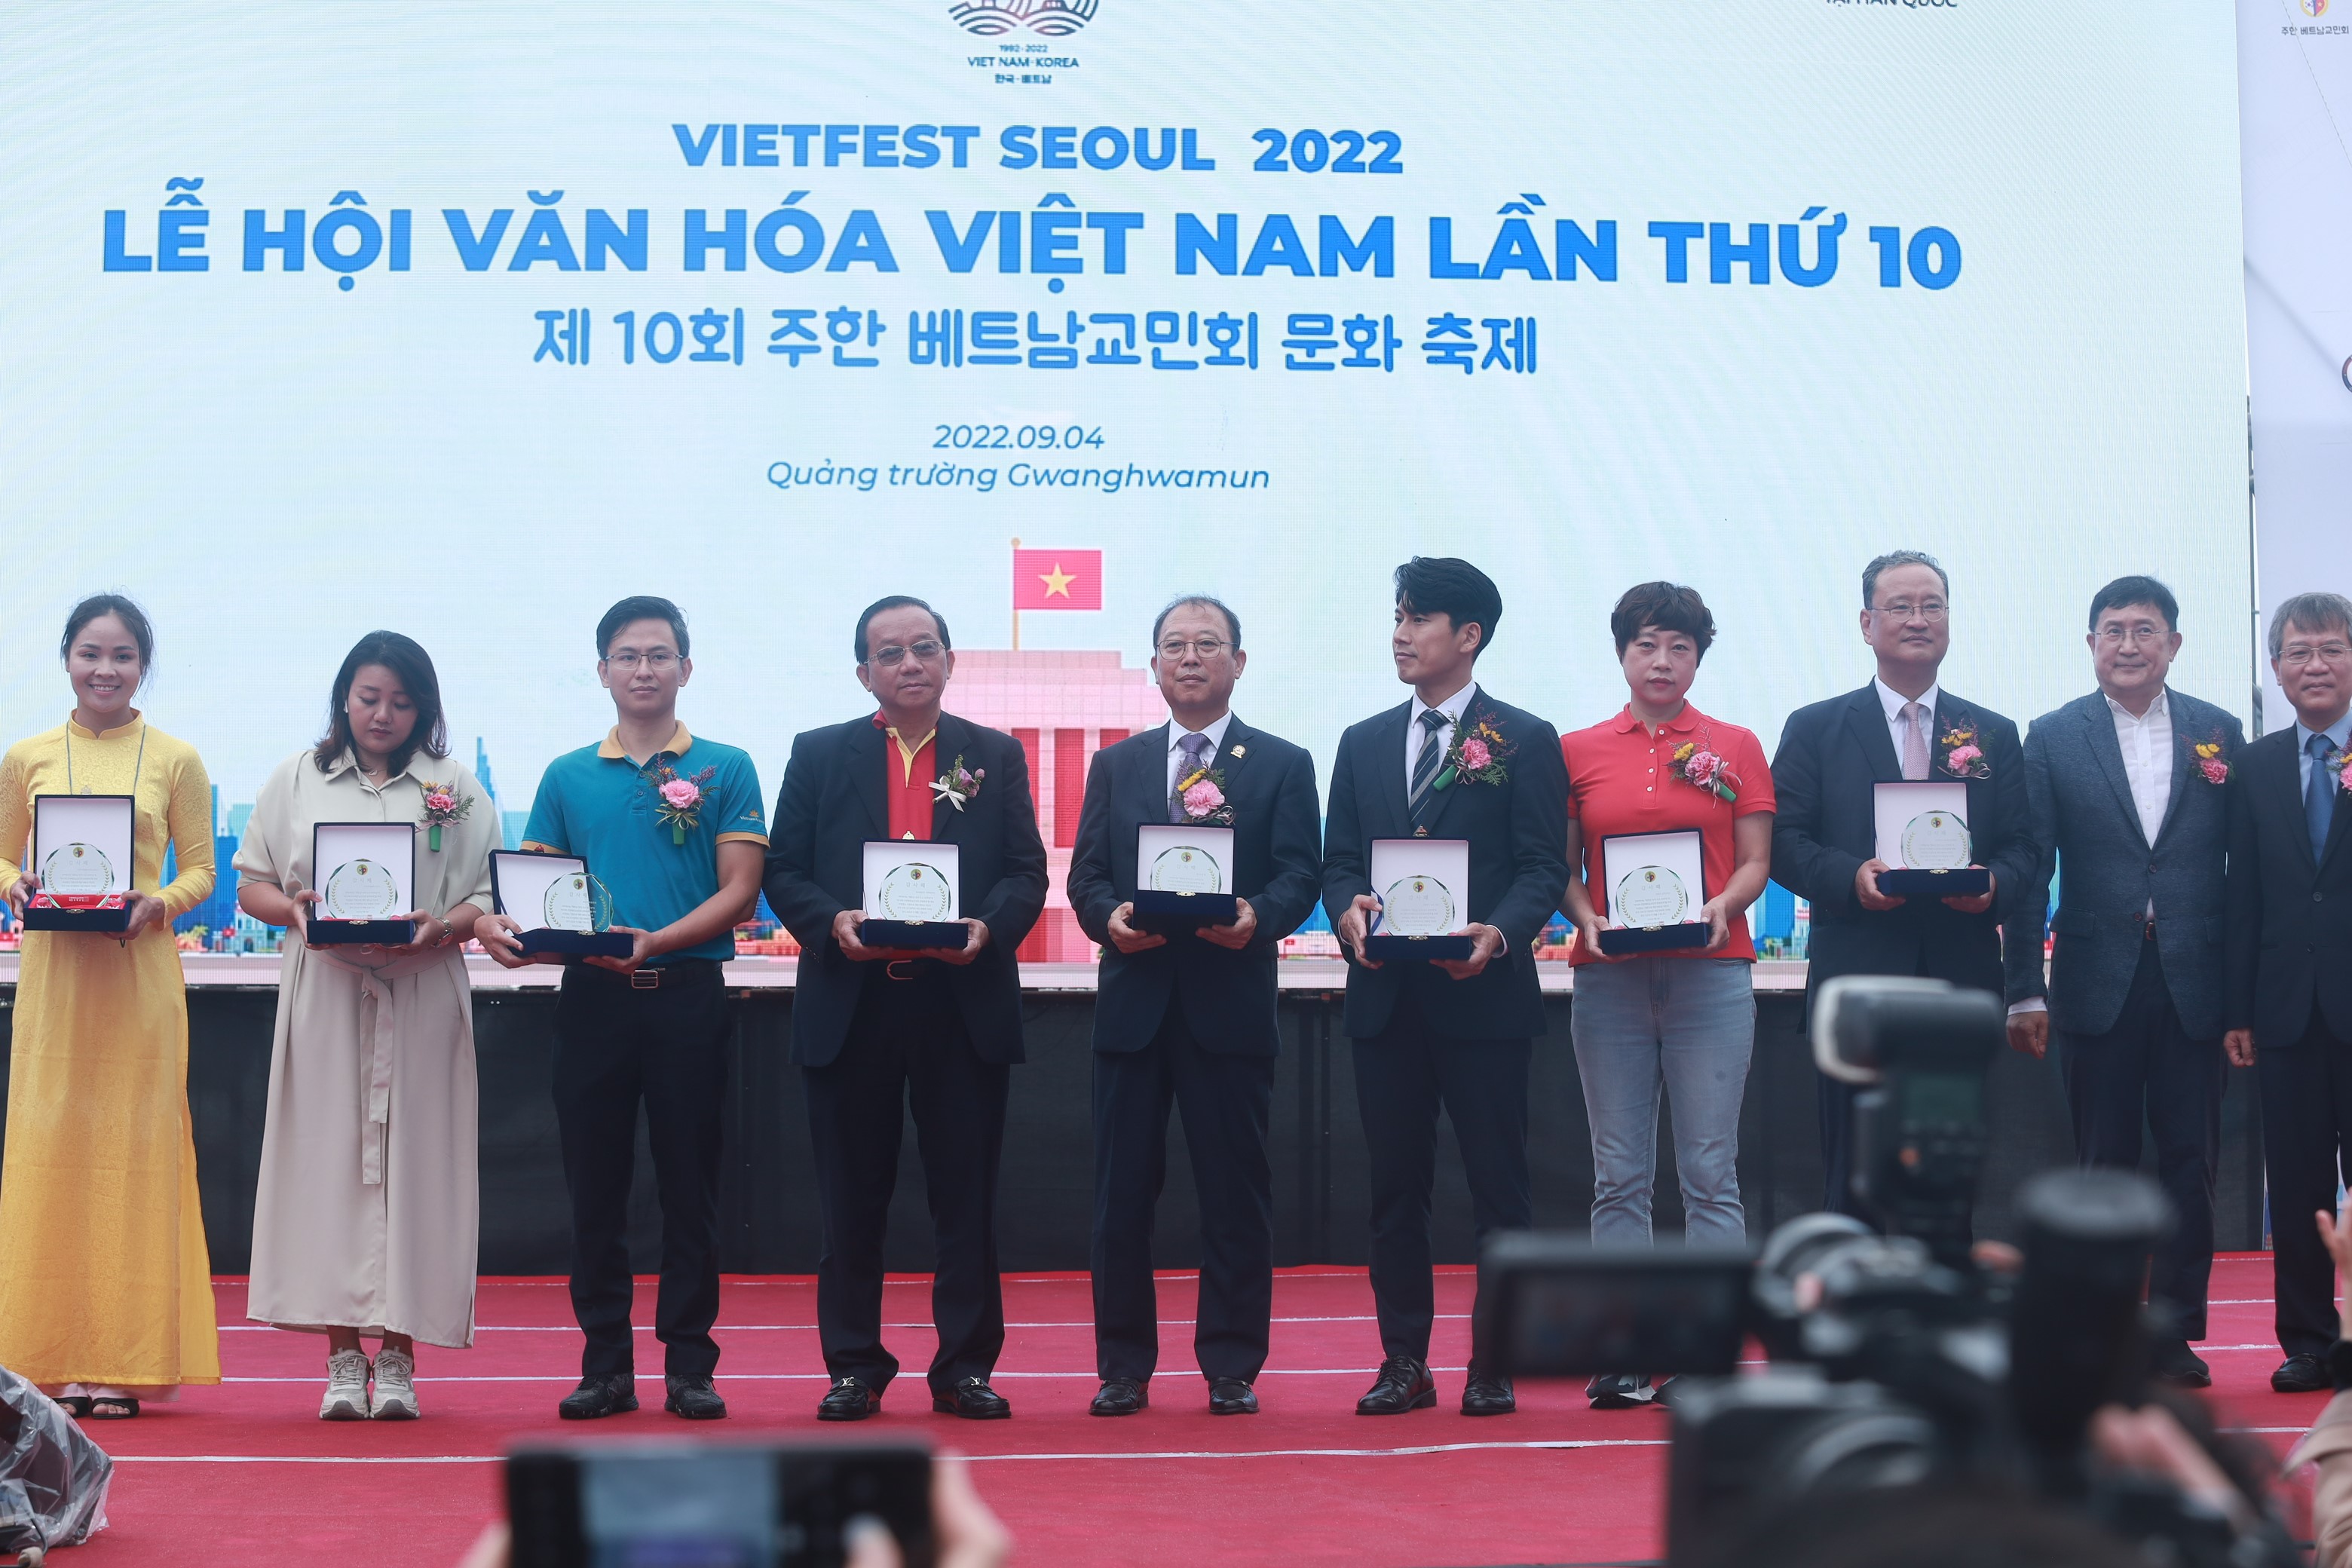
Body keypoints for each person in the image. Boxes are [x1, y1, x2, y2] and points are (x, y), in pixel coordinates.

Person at [478, 596, 767, 1421]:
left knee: (690, 1190)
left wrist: (658, 941)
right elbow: (538, 895)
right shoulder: (568, 775)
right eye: (629, 656)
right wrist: (508, 931)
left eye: (660, 654)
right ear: (603, 671)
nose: (645, 669)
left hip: (688, 1000)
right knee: (595, 1191)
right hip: (593, 1004)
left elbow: (741, 892)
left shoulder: (726, 766)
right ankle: (605, 1366)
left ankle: (690, 1367)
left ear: (686, 668)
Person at [764, 596, 1047, 1422]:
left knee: (966, 1200)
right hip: (853, 1005)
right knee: (851, 1201)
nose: (910, 663)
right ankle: (854, 1366)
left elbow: (1025, 871)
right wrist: (832, 922)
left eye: (925, 647)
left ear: (950, 660)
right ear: (865, 673)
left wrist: (986, 929)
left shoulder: (994, 754)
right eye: (889, 653)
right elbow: (784, 870)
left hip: (960, 1004)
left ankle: (964, 1368)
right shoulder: (819, 753)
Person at [1321, 557, 1570, 1418]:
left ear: (1469, 635)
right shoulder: (1360, 741)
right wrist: (1346, 910)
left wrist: (1497, 934)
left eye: (1418, 618)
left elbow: (1542, 866)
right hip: (1386, 999)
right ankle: (1405, 1361)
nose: (1400, 634)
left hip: (1484, 999)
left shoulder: (1524, 737)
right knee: (1396, 1190)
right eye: (1397, 616)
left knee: (1499, 1188)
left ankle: (1494, 1362)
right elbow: (1339, 861)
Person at [1066, 595, 1323, 1417]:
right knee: (1120, 1197)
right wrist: (1106, 917)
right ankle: (1123, 1367)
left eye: (1207, 643)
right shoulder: (1118, 764)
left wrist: (1260, 916)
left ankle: (1232, 1365)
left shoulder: (1282, 763)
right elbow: (1086, 875)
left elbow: (1299, 874)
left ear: (1237, 663)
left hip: (1230, 1003)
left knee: (1234, 1194)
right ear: (1153, 666)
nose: (1189, 657)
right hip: (1134, 1007)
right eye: (1173, 645)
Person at [234, 632, 496, 1419]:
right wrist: (297, 912)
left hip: (421, 990)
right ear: (344, 698)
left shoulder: (455, 785)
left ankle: (402, 1357)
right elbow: (252, 884)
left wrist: (440, 927)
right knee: (329, 1166)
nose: (383, 714)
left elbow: (485, 896)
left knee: (420, 1167)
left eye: (402, 702)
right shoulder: (297, 777)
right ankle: (344, 1357)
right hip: (328, 990)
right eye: (369, 697)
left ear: (425, 708)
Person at [2002, 577, 2242, 1389]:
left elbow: (2243, 870)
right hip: (2094, 978)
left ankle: (2173, 1334)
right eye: (2114, 630)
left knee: (2190, 1164)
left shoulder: (2219, 731)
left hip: (2195, 979)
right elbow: (2032, 870)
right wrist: (2023, 987)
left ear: (2174, 643)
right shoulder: (2052, 736)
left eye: (2146, 630)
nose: (2130, 644)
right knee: (2102, 1167)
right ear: (2091, 644)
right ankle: (2101, 1333)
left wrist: (2243, 994)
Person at [0, 594, 220, 1418]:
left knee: (134, 1160)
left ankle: (121, 1362)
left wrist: (157, 904)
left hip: (139, 982)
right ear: (67, 658)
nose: (105, 669)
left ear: (142, 666)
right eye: (90, 653)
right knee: (49, 1158)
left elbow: (201, 871)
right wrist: (14, 882)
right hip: (57, 986)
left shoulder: (176, 759)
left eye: (123, 655)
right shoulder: (26, 757)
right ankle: (45, 1358)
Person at [1559, 583, 1775, 1410]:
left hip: (1711, 975)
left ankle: (1706, 1349)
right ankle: (1624, 1347)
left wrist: (1724, 905)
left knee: (1710, 1172)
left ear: (1698, 659)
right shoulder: (1577, 750)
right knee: (1618, 1173)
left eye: (1680, 647)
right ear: (1623, 653)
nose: (1662, 660)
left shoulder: (1736, 745)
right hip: (1609, 977)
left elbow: (1755, 860)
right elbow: (1562, 867)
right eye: (1647, 644)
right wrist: (1587, 916)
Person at [1770, 550, 2032, 1215]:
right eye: (1901, 607)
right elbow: (1782, 841)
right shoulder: (1816, 728)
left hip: (1959, 980)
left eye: (1932, 606)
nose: (1918, 619)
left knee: (1950, 1172)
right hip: (1858, 982)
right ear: (1868, 624)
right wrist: (1849, 876)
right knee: (1853, 1175)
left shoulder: (1993, 733)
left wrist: (1993, 886)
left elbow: (2025, 847)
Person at [2222, 590, 2352, 1393]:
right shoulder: (2257, 765)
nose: (2316, 664)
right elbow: (2244, 896)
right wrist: (2239, 1009)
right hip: (2285, 1010)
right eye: (2299, 651)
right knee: (2299, 1184)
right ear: (2276, 668)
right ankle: (2308, 1341)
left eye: (2332, 648)